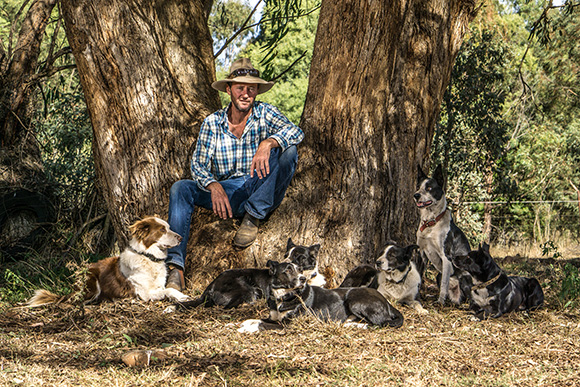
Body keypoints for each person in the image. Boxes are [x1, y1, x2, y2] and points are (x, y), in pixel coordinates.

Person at [165, 58, 304, 291]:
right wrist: (213, 185)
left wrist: (268, 143)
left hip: (261, 184)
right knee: (181, 188)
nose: (245, 94)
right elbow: (198, 163)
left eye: (251, 88)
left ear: (257, 91)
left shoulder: (266, 112)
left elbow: (295, 131)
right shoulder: (212, 123)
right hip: (229, 192)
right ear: (229, 89)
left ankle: (254, 215)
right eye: (240, 87)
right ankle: (175, 269)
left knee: (288, 150)